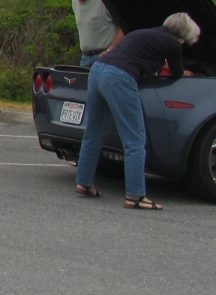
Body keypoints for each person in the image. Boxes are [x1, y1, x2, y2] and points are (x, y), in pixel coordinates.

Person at [75, 12, 200, 210]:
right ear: (183, 34)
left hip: (98, 71)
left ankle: (84, 182)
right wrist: (181, 70)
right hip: (119, 77)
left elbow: (140, 57)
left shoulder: (145, 33)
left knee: (94, 132)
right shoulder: (172, 43)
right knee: (134, 139)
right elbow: (176, 72)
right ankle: (136, 195)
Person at [68, 0, 123, 67]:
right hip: (85, 58)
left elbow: (124, 28)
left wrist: (110, 50)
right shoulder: (74, 2)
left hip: (105, 56)